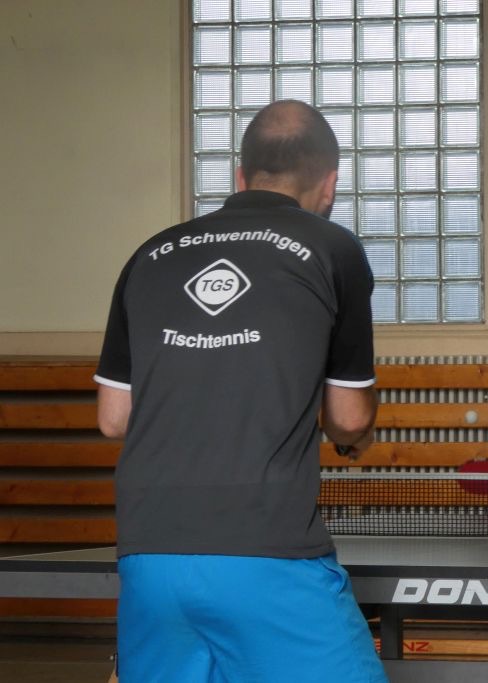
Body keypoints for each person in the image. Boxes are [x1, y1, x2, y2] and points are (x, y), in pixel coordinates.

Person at [94, 100, 387, 683]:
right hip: (265, 549)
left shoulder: (150, 254)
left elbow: (114, 418)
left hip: (148, 552)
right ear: (330, 184)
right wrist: (354, 434)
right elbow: (350, 418)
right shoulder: (333, 247)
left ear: (240, 176)